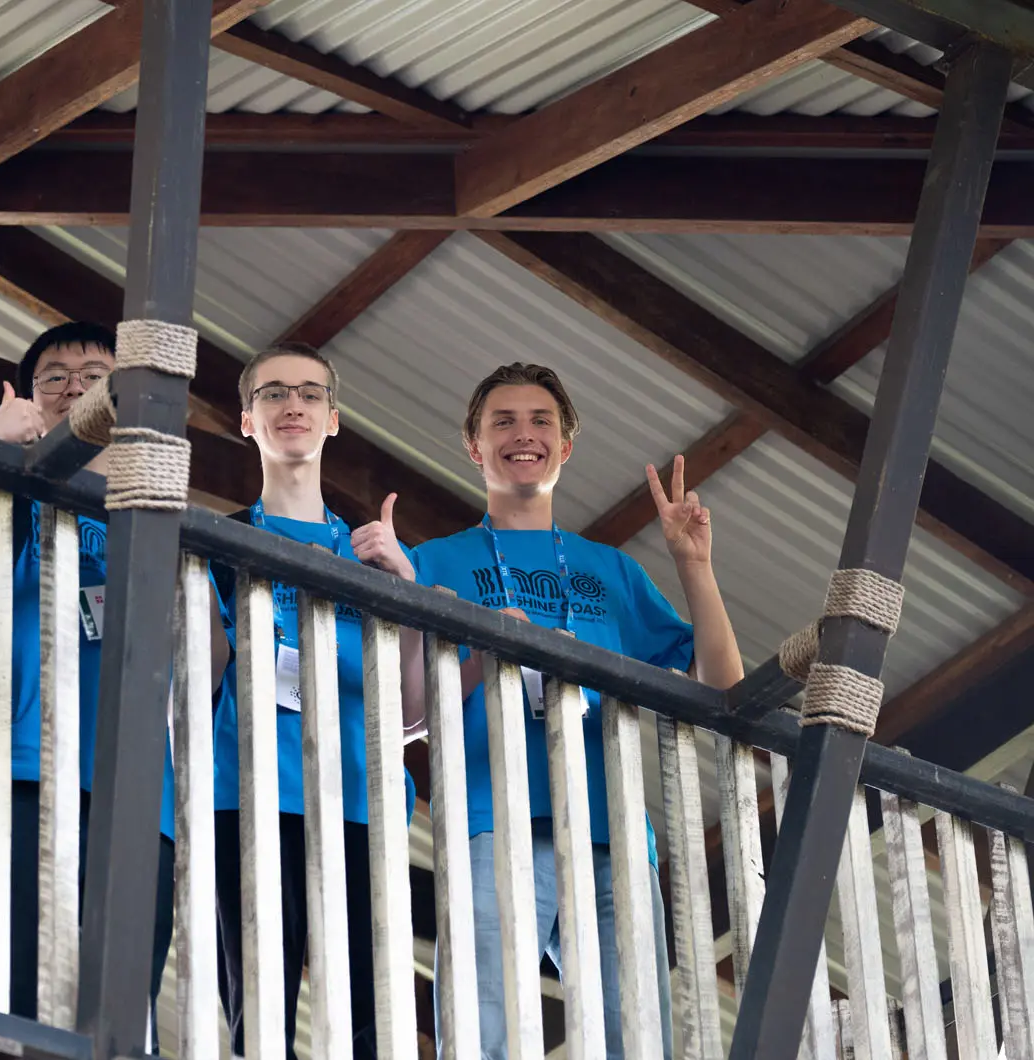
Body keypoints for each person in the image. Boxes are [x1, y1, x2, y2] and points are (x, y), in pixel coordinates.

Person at [412, 363, 744, 1060]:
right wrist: (485, 653)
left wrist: (694, 565)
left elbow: (723, 687)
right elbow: (405, 711)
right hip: (493, 822)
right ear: (474, 446)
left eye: (541, 421)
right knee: (483, 1036)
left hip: (613, 833)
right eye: (502, 421)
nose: (523, 434)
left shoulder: (611, 571)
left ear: (565, 446)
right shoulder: (433, 562)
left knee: (638, 1042)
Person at [0, 322, 230, 1036]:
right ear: (29, 396)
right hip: (19, 769)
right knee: (15, 995)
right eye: (55, 377)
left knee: (121, 1011)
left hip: (137, 790)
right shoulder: (11, 488)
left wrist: (169, 524)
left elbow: (207, 661)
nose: (75, 388)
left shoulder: (158, 517)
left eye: (97, 377)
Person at [209, 343, 425, 1059]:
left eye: (309, 393)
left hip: (362, 802)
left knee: (374, 1020)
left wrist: (405, 592)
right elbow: (196, 678)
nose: (292, 404)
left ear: (334, 419)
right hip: (248, 795)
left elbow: (413, 714)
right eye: (272, 393)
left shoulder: (373, 555)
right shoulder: (217, 541)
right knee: (260, 1012)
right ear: (247, 420)